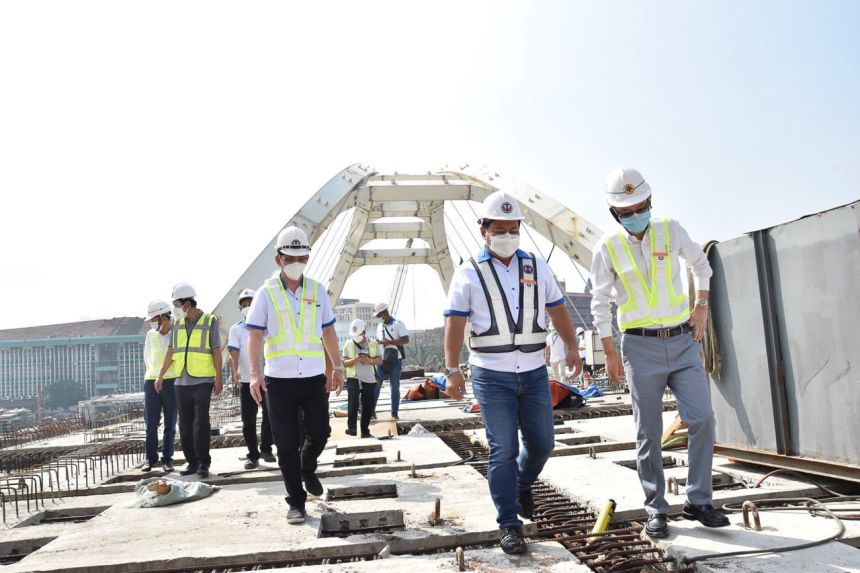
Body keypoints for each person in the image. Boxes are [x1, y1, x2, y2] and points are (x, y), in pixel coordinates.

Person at [589, 167, 729, 539]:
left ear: (650, 202)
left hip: (683, 342)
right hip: (639, 347)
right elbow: (599, 302)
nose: (636, 214)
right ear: (615, 213)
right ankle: (656, 508)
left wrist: (701, 305)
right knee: (648, 432)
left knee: (701, 419)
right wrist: (608, 352)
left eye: (641, 206)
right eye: (627, 209)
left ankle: (700, 501)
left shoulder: (671, 229)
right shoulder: (608, 247)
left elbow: (701, 264)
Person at [443, 190, 582, 555]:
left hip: (535, 372)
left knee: (542, 444)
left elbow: (557, 310)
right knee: (502, 448)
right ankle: (509, 523)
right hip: (492, 375)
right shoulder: (468, 273)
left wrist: (572, 347)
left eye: (513, 229)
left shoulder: (536, 266)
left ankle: (521, 483)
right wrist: (452, 370)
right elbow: (455, 324)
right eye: (499, 230)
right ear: (484, 232)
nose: (507, 236)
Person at [246, 226, 345, 525]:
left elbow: (327, 331)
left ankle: (307, 466)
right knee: (286, 443)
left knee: (320, 431)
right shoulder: (266, 293)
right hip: (279, 380)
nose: (297, 262)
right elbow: (254, 336)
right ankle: (296, 502)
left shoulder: (317, 291)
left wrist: (337, 366)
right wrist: (254, 374)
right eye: (290, 257)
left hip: (314, 377)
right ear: (278, 260)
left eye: (302, 256)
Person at [155, 283, 223, 479]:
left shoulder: (210, 321)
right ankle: (191, 462)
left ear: (186, 304)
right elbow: (171, 351)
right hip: (181, 382)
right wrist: (161, 375)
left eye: (176, 304)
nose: (174, 308)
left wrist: (218, 377)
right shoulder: (177, 325)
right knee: (184, 425)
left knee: (200, 423)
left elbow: (216, 350)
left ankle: (203, 463)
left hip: (203, 380)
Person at [228, 288, 275, 470]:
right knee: (248, 420)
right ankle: (252, 455)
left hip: (267, 378)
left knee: (269, 416)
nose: (247, 307)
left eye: (250, 303)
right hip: (247, 380)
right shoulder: (236, 329)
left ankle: (266, 449)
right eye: (244, 304)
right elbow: (233, 353)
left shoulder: (267, 326)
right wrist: (234, 371)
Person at [142, 300, 177, 473]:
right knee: (151, 423)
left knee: (170, 424)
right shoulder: (151, 335)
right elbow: (147, 358)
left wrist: (163, 376)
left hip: (171, 382)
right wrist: (155, 377)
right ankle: (150, 458)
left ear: (164, 316)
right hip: (151, 382)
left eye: (154, 318)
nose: (152, 322)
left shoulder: (177, 333)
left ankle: (167, 459)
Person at [342, 318, 382, 438]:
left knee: (368, 405)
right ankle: (352, 428)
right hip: (353, 377)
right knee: (353, 401)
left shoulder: (373, 343)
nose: (356, 337)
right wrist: (355, 359)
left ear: (364, 332)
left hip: (369, 378)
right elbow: (344, 362)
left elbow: (380, 360)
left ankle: (365, 430)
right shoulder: (348, 344)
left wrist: (368, 360)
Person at [371, 302, 409, 420]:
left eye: (379, 315)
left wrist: (390, 342)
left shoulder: (398, 324)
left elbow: (406, 340)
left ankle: (394, 413)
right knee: (376, 386)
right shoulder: (379, 327)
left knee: (395, 388)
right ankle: (371, 411)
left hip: (394, 361)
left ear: (385, 312)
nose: (378, 318)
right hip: (381, 361)